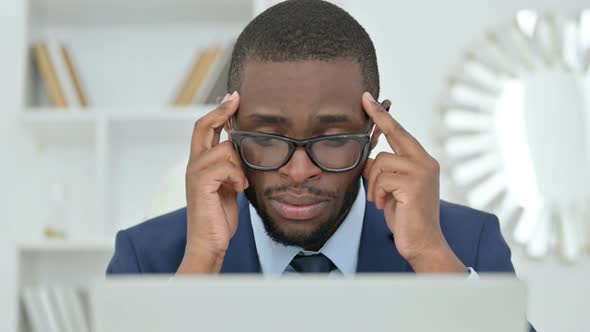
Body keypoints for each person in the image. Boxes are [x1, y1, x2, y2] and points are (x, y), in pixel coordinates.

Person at [107, 0, 513, 279]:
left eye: (333, 139)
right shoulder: (147, 258)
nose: (299, 172)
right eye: (267, 137)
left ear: (373, 132)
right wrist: (202, 262)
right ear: (227, 128)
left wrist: (430, 256)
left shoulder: (464, 245)